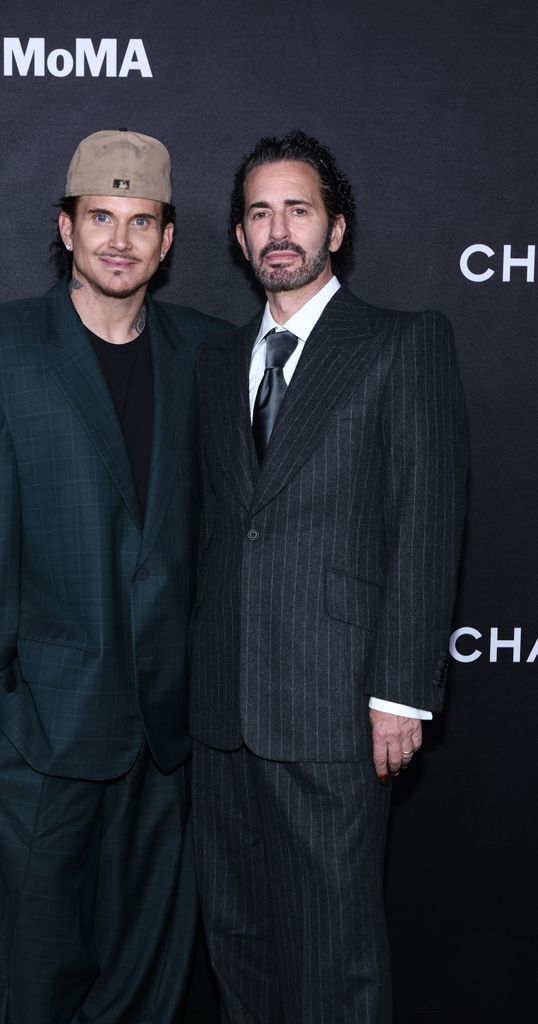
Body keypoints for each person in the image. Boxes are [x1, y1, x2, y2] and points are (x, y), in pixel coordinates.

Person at [0, 128, 231, 1024]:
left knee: (148, 992)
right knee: (26, 991)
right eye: (100, 217)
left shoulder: (211, 352)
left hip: (168, 748)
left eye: (141, 223)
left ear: (167, 241)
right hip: (37, 740)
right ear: (66, 228)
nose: (119, 240)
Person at [190, 130, 467, 1023]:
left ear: (335, 228)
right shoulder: (216, 362)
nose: (279, 230)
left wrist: (401, 691)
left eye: (298, 211)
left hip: (336, 710)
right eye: (259, 213)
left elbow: (426, 522)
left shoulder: (401, 343)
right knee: (240, 949)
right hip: (222, 715)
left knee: (335, 959)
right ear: (239, 237)